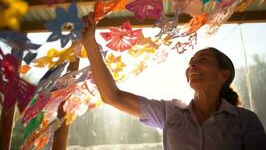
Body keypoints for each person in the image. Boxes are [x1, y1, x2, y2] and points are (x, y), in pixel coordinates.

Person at [81, 15, 266, 150]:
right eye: (191, 61)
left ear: (224, 75)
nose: (192, 63)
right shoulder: (169, 112)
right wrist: (90, 42)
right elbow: (112, 96)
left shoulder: (245, 121)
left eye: (202, 59)